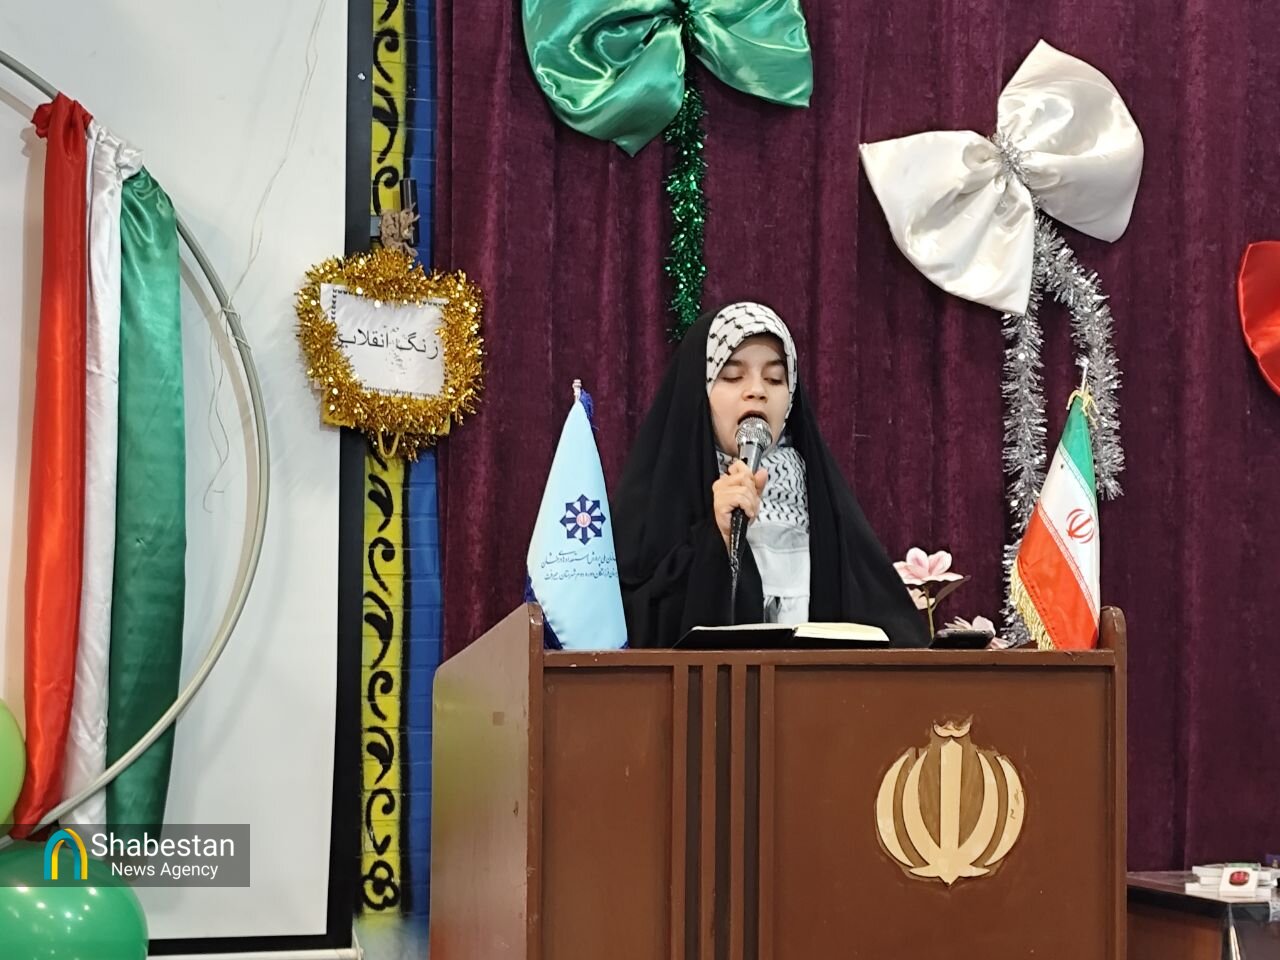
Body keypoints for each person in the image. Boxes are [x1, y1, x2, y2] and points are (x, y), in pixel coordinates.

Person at [613, 301, 927, 648]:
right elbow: (632, 630)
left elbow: (897, 638)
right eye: (732, 376)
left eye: (775, 379)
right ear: (699, 391)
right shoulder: (657, 501)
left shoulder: (823, 501)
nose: (757, 391)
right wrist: (714, 540)